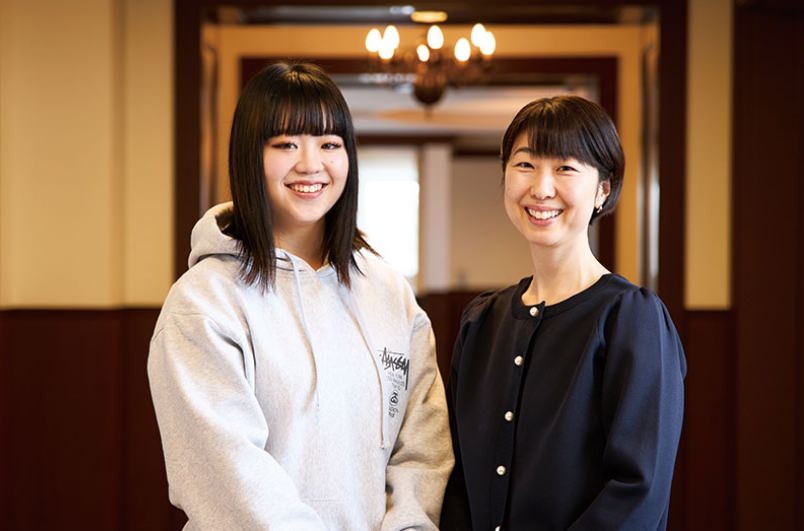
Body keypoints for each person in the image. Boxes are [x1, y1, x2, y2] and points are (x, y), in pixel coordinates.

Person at [148, 62, 453, 530]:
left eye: (329, 144)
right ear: (251, 155)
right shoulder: (204, 302)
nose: (310, 164)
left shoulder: (388, 291)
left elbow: (423, 448)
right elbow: (228, 476)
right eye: (285, 144)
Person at [440, 96, 686, 531]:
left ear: (603, 189)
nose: (542, 187)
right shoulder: (481, 323)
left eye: (566, 168)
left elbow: (637, 491)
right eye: (525, 165)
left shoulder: (631, 318)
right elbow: (458, 481)